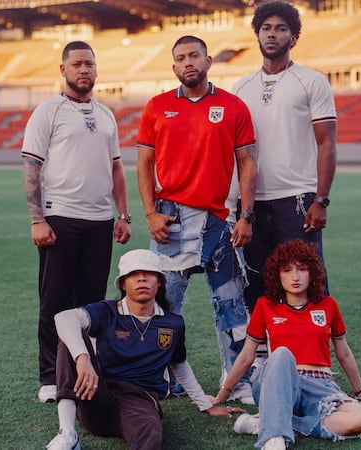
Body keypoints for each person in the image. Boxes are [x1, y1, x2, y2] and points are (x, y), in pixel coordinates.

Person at [136, 35, 258, 401]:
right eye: (180, 58)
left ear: (208, 61)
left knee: (232, 305)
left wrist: (246, 216)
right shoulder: (156, 107)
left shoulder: (233, 106)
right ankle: (155, 378)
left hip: (219, 221)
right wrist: (150, 214)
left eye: (194, 56)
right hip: (170, 221)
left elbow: (248, 163)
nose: (188, 62)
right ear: (173, 67)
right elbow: (143, 163)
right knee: (162, 306)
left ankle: (236, 381)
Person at [21, 41, 131, 403]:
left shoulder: (105, 115)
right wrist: (37, 220)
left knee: (91, 304)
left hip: (100, 220)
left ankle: (87, 371)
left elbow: (116, 168)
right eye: (77, 64)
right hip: (60, 218)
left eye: (89, 65)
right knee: (53, 301)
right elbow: (31, 168)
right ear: (63, 69)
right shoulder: (48, 111)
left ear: (96, 70)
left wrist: (124, 214)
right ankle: (51, 376)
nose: (84, 70)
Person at [46, 249, 245, 450]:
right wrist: (83, 358)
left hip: (139, 400)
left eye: (149, 273)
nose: (141, 279)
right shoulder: (107, 311)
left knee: (150, 433)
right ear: (123, 283)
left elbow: (179, 364)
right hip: (96, 395)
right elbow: (63, 317)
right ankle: (67, 434)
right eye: (133, 274)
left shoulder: (172, 323)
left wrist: (205, 404)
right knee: (70, 339)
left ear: (159, 282)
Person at [212, 240, 361, 449]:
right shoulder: (266, 306)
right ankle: (273, 440)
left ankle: (268, 422)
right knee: (283, 353)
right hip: (277, 381)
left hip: (321, 386)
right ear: (278, 275)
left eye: (301, 269)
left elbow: (344, 353)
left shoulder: (328, 305)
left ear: (311, 273)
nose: (295, 277)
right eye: (287, 270)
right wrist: (224, 393)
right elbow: (247, 356)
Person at [232, 0, 338, 313]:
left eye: (281, 29)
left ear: (293, 37)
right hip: (252, 205)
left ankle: (313, 358)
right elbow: (235, 152)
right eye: (266, 28)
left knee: (306, 283)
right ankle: (264, 357)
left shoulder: (312, 81)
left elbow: (327, 143)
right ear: (257, 34)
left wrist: (321, 199)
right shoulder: (241, 88)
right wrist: (236, 207)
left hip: (298, 201)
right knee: (258, 286)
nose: (272, 34)